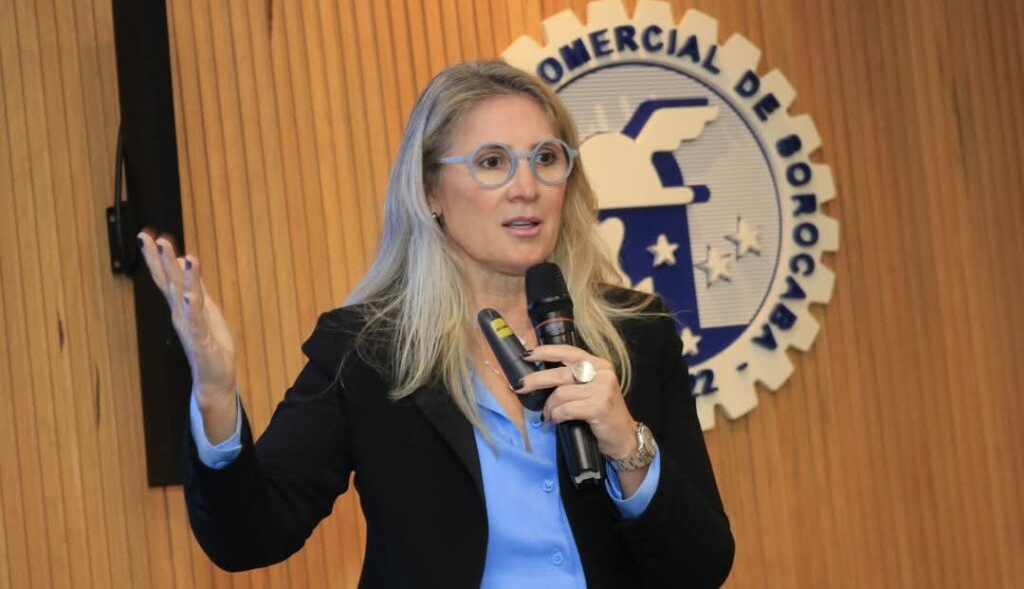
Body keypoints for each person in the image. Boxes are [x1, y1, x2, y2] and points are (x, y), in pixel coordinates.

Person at [137, 60, 734, 588]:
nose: (526, 188)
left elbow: (702, 566)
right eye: (493, 163)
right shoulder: (368, 352)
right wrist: (215, 392)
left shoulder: (638, 334)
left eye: (546, 159)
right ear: (430, 193)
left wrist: (626, 444)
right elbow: (249, 537)